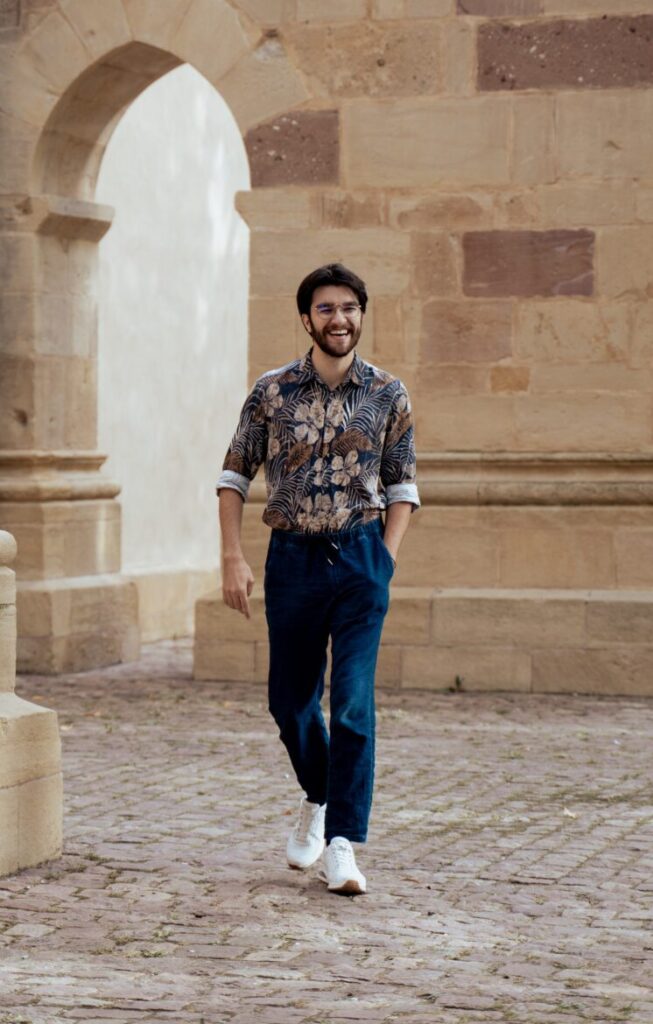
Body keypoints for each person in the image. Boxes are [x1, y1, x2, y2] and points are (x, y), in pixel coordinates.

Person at [216, 263, 419, 895]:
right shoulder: (272, 391)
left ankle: (341, 844)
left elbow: (402, 485)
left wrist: (384, 558)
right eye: (327, 309)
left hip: (360, 558)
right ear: (307, 318)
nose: (340, 319)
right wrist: (232, 556)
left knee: (354, 703)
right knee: (290, 700)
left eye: (350, 307)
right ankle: (316, 795)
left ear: (362, 313)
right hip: (294, 561)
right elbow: (233, 477)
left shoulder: (389, 393)